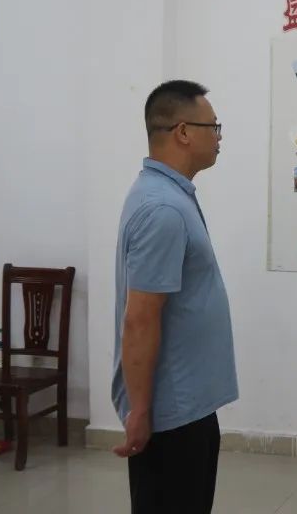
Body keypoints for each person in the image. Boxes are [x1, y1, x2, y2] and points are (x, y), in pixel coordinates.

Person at [111, 80, 238, 514]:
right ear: (183, 131)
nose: (219, 136)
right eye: (213, 126)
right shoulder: (162, 208)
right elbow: (140, 319)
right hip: (171, 415)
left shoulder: (169, 196)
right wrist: (140, 412)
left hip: (188, 405)